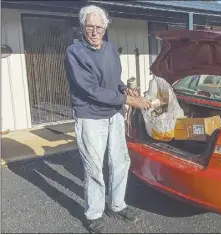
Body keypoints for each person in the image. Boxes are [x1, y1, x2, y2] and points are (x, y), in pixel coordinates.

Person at [64, 5, 151, 233]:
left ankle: (117, 204)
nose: (94, 32)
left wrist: (125, 90)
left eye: (99, 27)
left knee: (121, 161)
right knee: (94, 168)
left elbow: (114, 80)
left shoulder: (111, 49)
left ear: (105, 28)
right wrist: (128, 100)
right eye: (90, 27)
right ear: (82, 27)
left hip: (113, 114)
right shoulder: (74, 53)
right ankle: (93, 214)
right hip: (90, 117)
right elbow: (91, 90)